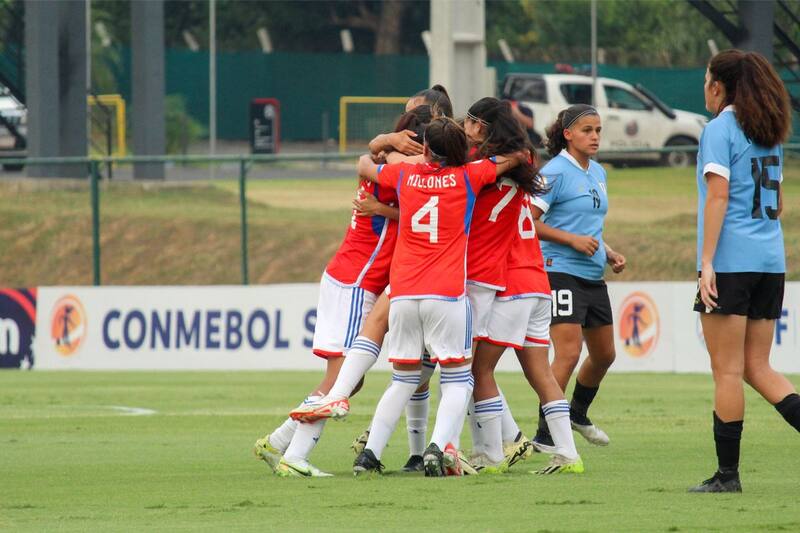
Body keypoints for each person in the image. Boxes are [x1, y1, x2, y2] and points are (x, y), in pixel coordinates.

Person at [253, 106, 431, 477]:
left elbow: (369, 161)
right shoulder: (404, 169)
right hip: (357, 279)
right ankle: (294, 457)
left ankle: (279, 441)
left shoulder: (385, 159)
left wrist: (380, 145)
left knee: (351, 377)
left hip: (352, 274)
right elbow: (427, 206)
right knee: (340, 380)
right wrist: (383, 158)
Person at [351, 117, 528, 477]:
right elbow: (516, 157)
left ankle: (369, 455)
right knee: (457, 379)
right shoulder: (469, 176)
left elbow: (366, 165)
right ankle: (436, 449)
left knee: (403, 379)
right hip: (446, 295)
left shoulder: (404, 176)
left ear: (427, 150)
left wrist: (387, 146)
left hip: (402, 294)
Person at [689, 49, 797, 493]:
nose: (704, 88)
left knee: (729, 371)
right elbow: (781, 204)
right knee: (758, 367)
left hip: (731, 263)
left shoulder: (720, 129)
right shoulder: (768, 129)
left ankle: (727, 476)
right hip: (770, 262)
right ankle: (726, 475)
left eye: (707, 80)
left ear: (719, 85)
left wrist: (708, 263)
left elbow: (718, 197)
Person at [530, 104, 626, 451]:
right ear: (568, 134)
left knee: (604, 355)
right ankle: (544, 435)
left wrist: (608, 251)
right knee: (568, 354)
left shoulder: (598, 171)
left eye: (598, 130)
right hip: (559, 270)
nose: (595, 136)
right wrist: (571, 241)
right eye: (587, 130)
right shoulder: (553, 172)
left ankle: (576, 413)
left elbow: (586, 226)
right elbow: (527, 222)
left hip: (592, 273)